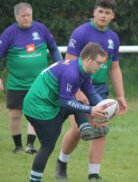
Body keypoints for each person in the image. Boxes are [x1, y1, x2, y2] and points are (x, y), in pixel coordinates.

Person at [55, 0, 127, 180]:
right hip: (76, 86)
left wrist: (121, 96)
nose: (103, 15)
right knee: (79, 129)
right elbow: (69, 63)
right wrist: (77, 91)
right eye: (100, 11)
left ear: (113, 16)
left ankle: (93, 174)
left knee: (101, 129)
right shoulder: (80, 33)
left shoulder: (113, 38)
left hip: (99, 89)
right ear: (94, 12)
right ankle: (62, 162)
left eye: (107, 13)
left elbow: (114, 67)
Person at [23, 42, 110, 182]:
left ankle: (86, 130)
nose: (101, 66)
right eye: (99, 63)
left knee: (79, 103)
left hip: (50, 103)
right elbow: (66, 102)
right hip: (37, 107)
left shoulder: (83, 70)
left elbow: (90, 92)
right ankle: (34, 180)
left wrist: (104, 106)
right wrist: (90, 110)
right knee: (48, 145)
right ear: (88, 58)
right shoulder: (71, 73)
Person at [0, 2, 62, 154]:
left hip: (39, 82)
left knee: (34, 112)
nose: (27, 18)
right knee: (15, 114)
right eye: (23, 16)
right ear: (16, 17)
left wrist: (61, 68)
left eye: (29, 15)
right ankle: (18, 147)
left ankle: (30, 145)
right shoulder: (9, 33)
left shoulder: (41, 29)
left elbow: (53, 49)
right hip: (16, 82)